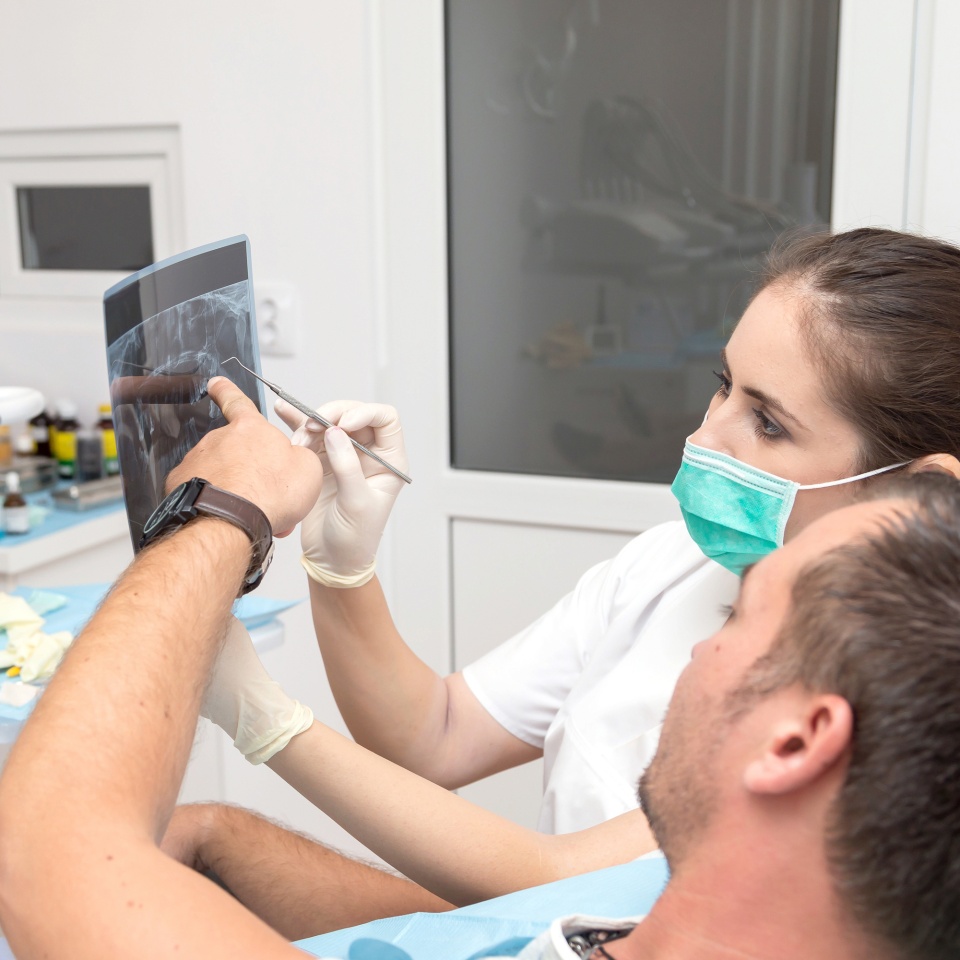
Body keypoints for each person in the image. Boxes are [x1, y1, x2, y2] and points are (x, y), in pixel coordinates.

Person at [181, 227, 960, 910]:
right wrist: (341, 568)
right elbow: (434, 737)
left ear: (918, 490)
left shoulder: (905, 700)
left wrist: (262, 716)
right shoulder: (673, 565)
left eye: (768, 422)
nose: (704, 437)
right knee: (202, 841)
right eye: (723, 386)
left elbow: (556, 879)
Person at [3, 408, 960, 960]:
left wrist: (221, 515)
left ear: (796, 743)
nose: (701, 645)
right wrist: (220, 839)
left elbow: (44, 850)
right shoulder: (683, 900)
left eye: (742, 618)